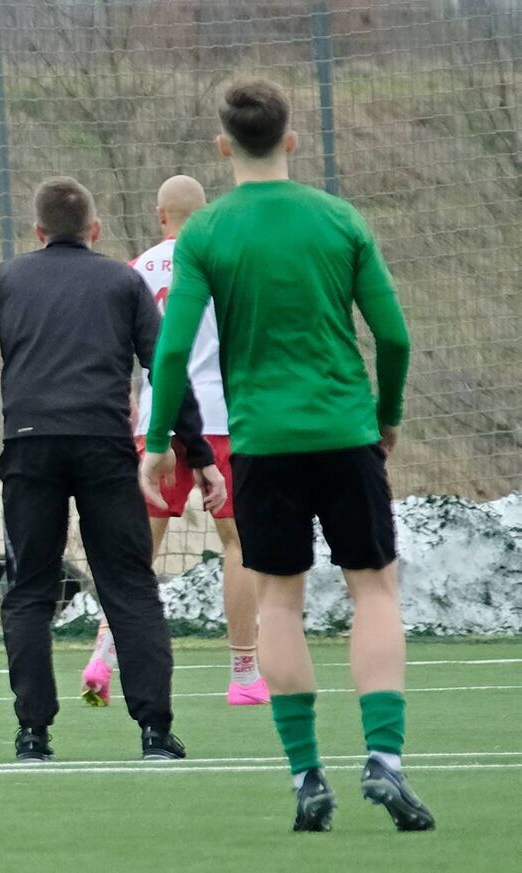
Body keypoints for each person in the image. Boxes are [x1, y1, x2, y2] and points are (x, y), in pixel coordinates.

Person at [140, 79, 434, 832]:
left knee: (280, 602)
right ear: (292, 140)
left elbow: (171, 351)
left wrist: (156, 444)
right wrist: (387, 415)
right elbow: (394, 336)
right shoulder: (338, 218)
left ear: (223, 147)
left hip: (263, 442)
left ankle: (307, 775)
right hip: (345, 431)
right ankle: (386, 759)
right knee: (374, 590)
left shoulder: (205, 234)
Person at [0, 176, 225, 762]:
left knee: (29, 592)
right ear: (94, 231)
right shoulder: (122, 279)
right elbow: (165, 365)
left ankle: (33, 734)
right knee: (130, 586)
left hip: (30, 447)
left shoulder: (5, 279)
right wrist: (199, 455)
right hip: (104, 448)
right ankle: (155, 734)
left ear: (38, 232)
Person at [82, 175, 269, 708]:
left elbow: (121, 349)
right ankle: (243, 674)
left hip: (158, 424)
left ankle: (103, 655)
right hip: (220, 417)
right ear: (206, 213)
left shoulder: (136, 269)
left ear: (159, 214)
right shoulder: (229, 263)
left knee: (139, 548)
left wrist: (130, 404)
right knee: (238, 544)